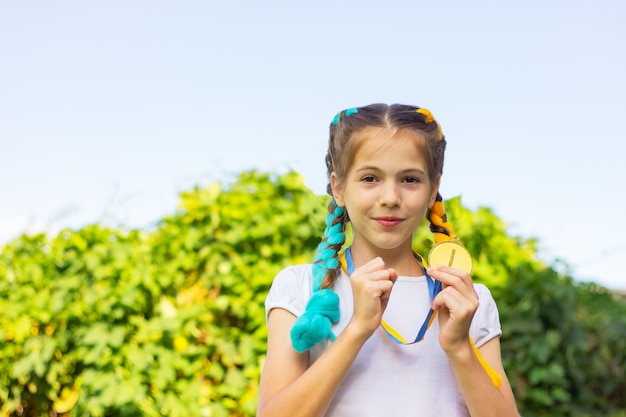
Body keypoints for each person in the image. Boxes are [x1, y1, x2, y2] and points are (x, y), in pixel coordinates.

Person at [257, 103, 519, 417]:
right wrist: (357, 329)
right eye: (370, 178)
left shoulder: (468, 302)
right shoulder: (300, 288)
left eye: (409, 179)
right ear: (339, 188)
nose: (391, 197)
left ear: (432, 190)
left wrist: (460, 348)